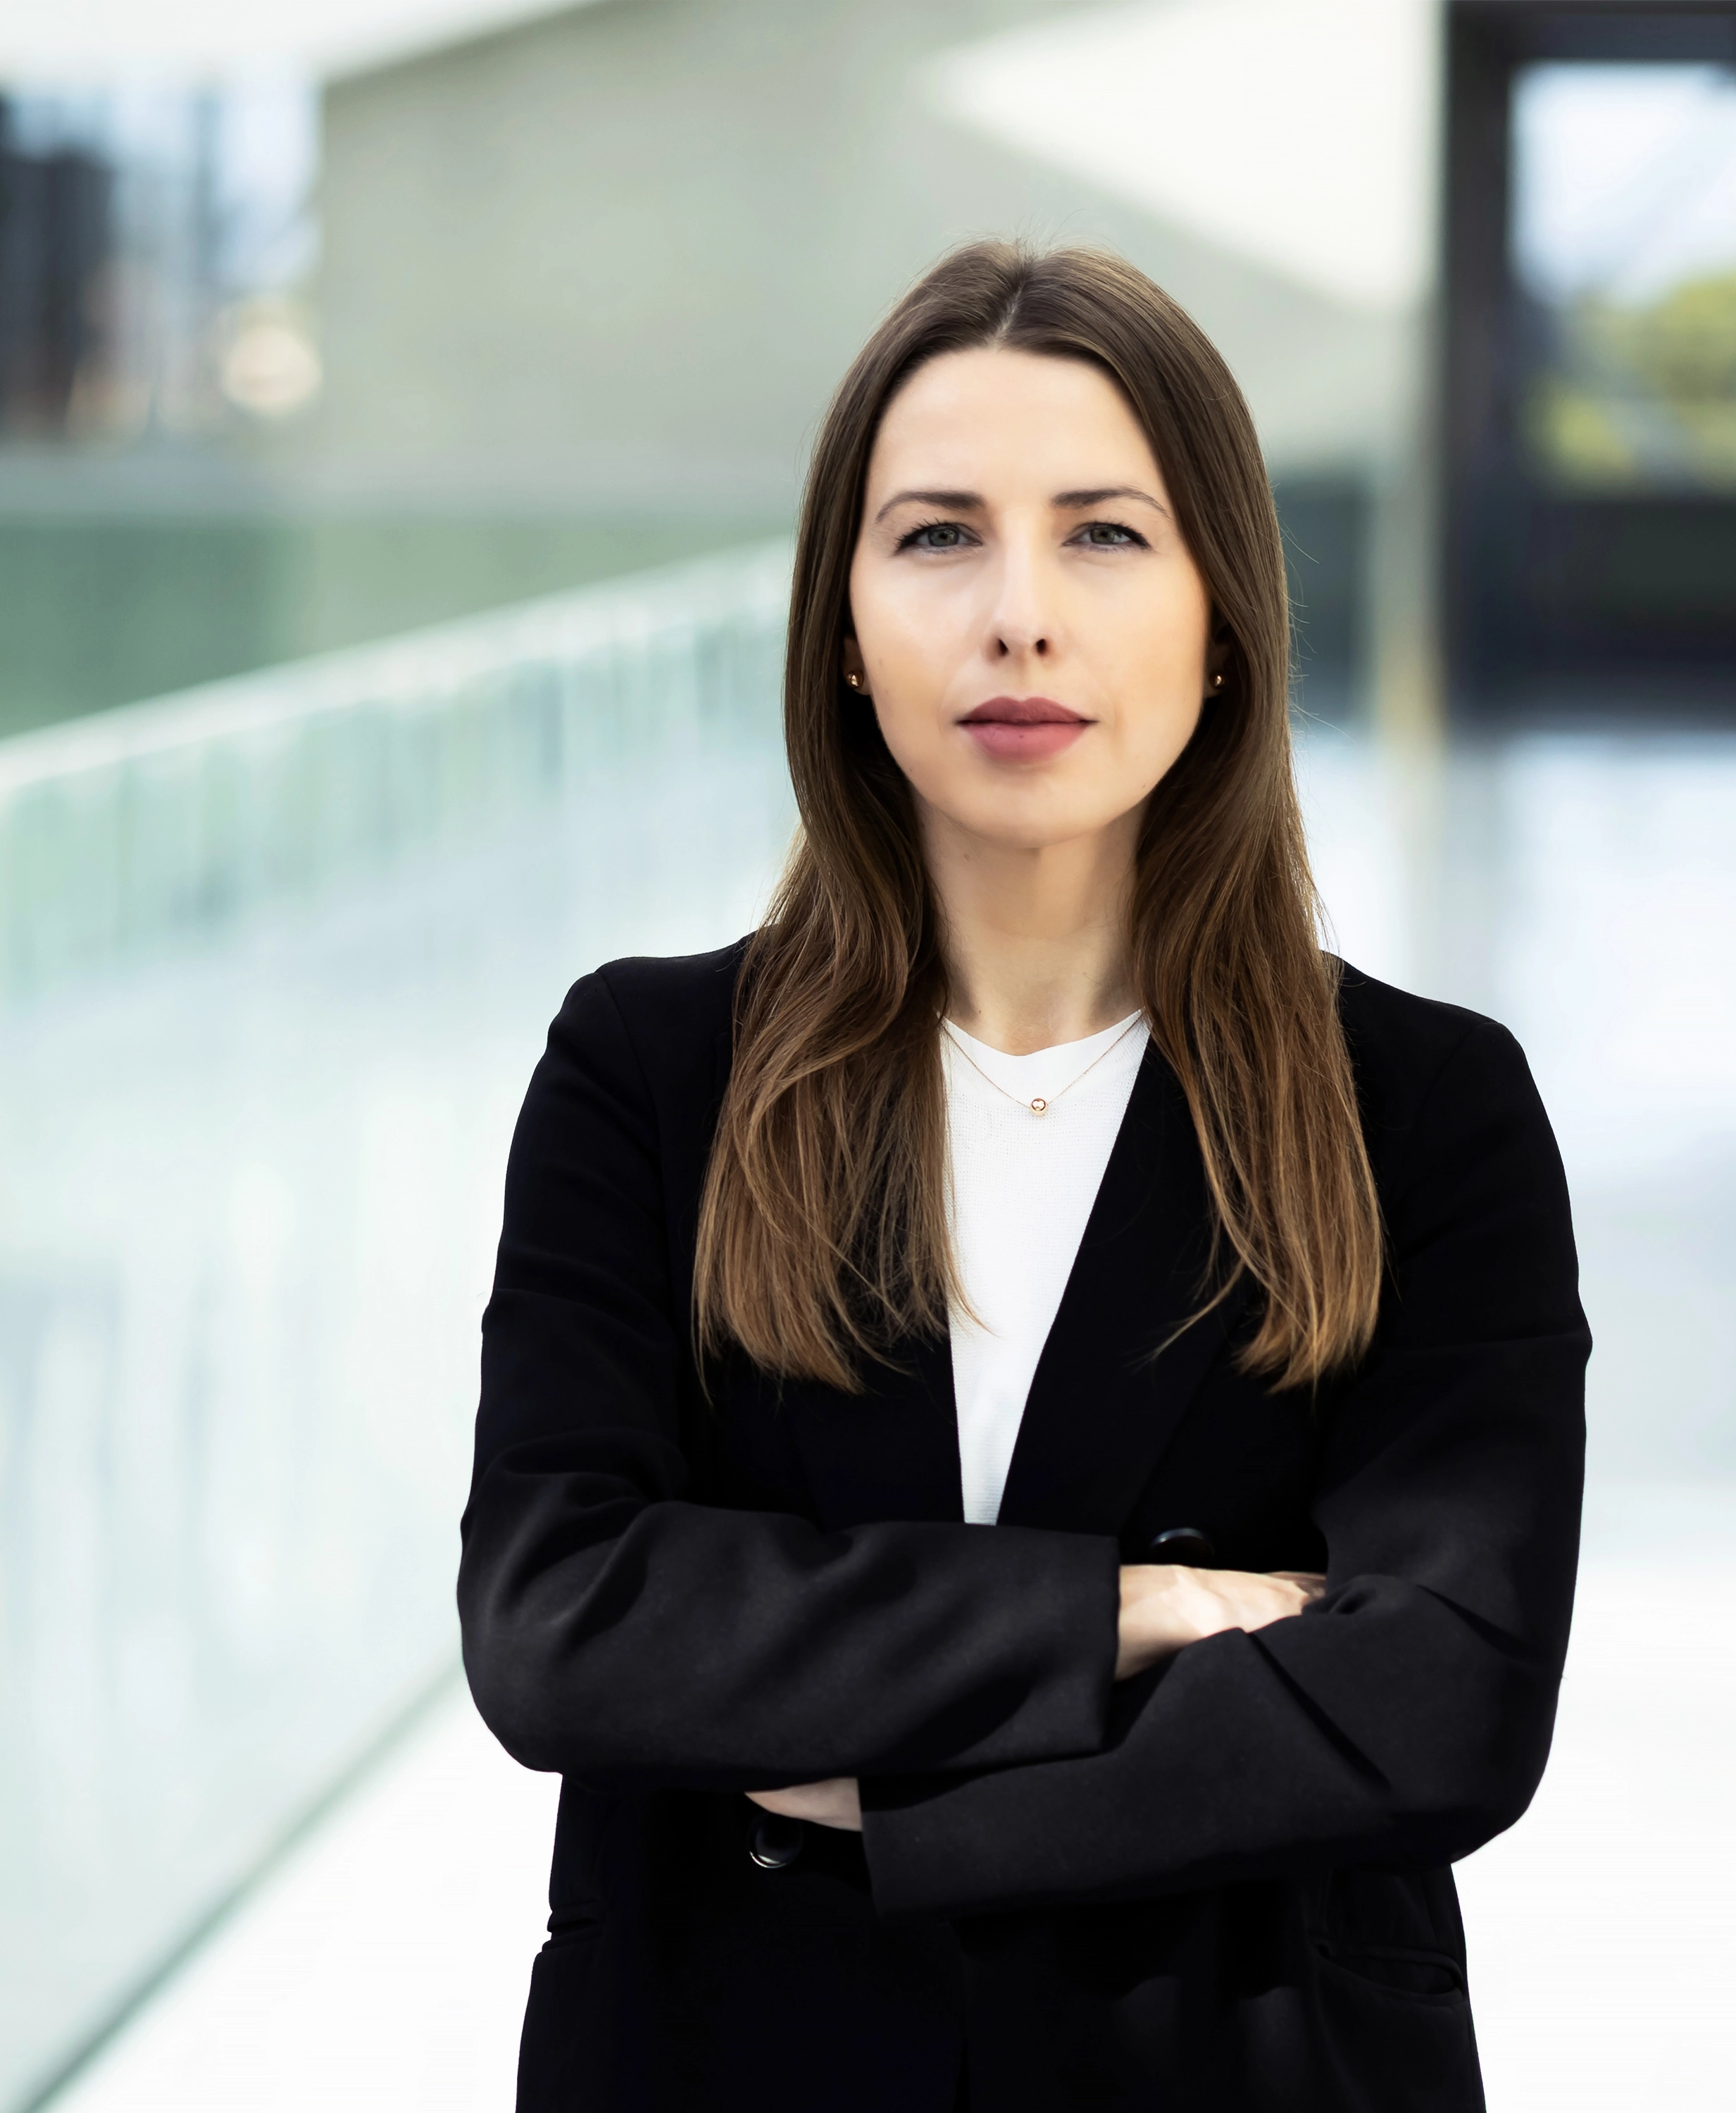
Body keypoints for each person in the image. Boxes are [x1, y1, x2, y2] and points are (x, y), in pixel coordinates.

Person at [461, 240, 1587, 2113]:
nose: (1019, 616)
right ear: (839, 617)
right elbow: (565, 1625)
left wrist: (889, 1800)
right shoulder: (647, 1073)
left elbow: (1443, 1702)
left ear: (1226, 607)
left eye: (1104, 535)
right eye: (936, 537)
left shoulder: (1426, 1107)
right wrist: (1127, 1613)